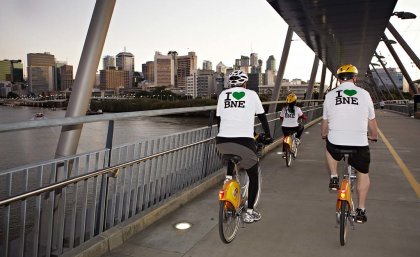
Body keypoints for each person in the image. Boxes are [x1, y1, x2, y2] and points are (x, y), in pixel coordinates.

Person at [321, 64, 378, 223]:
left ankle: (333, 176)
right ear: (355, 78)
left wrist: (324, 134)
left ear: (339, 80)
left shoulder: (330, 95)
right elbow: (371, 121)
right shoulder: (365, 94)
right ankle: (361, 210)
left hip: (336, 143)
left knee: (329, 146)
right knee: (363, 174)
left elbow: (325, 121)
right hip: (359, 144)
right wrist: (374, 136)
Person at [216, 70, 273, 223]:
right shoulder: (252, 95)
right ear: (244, 83)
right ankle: (249, 212)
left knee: (230, 153)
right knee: (253, 175)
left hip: (222, 141)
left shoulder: (223, 95)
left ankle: (228, 179)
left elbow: (219, 120)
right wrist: (268, 135)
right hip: (244, 141)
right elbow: (262, 117)